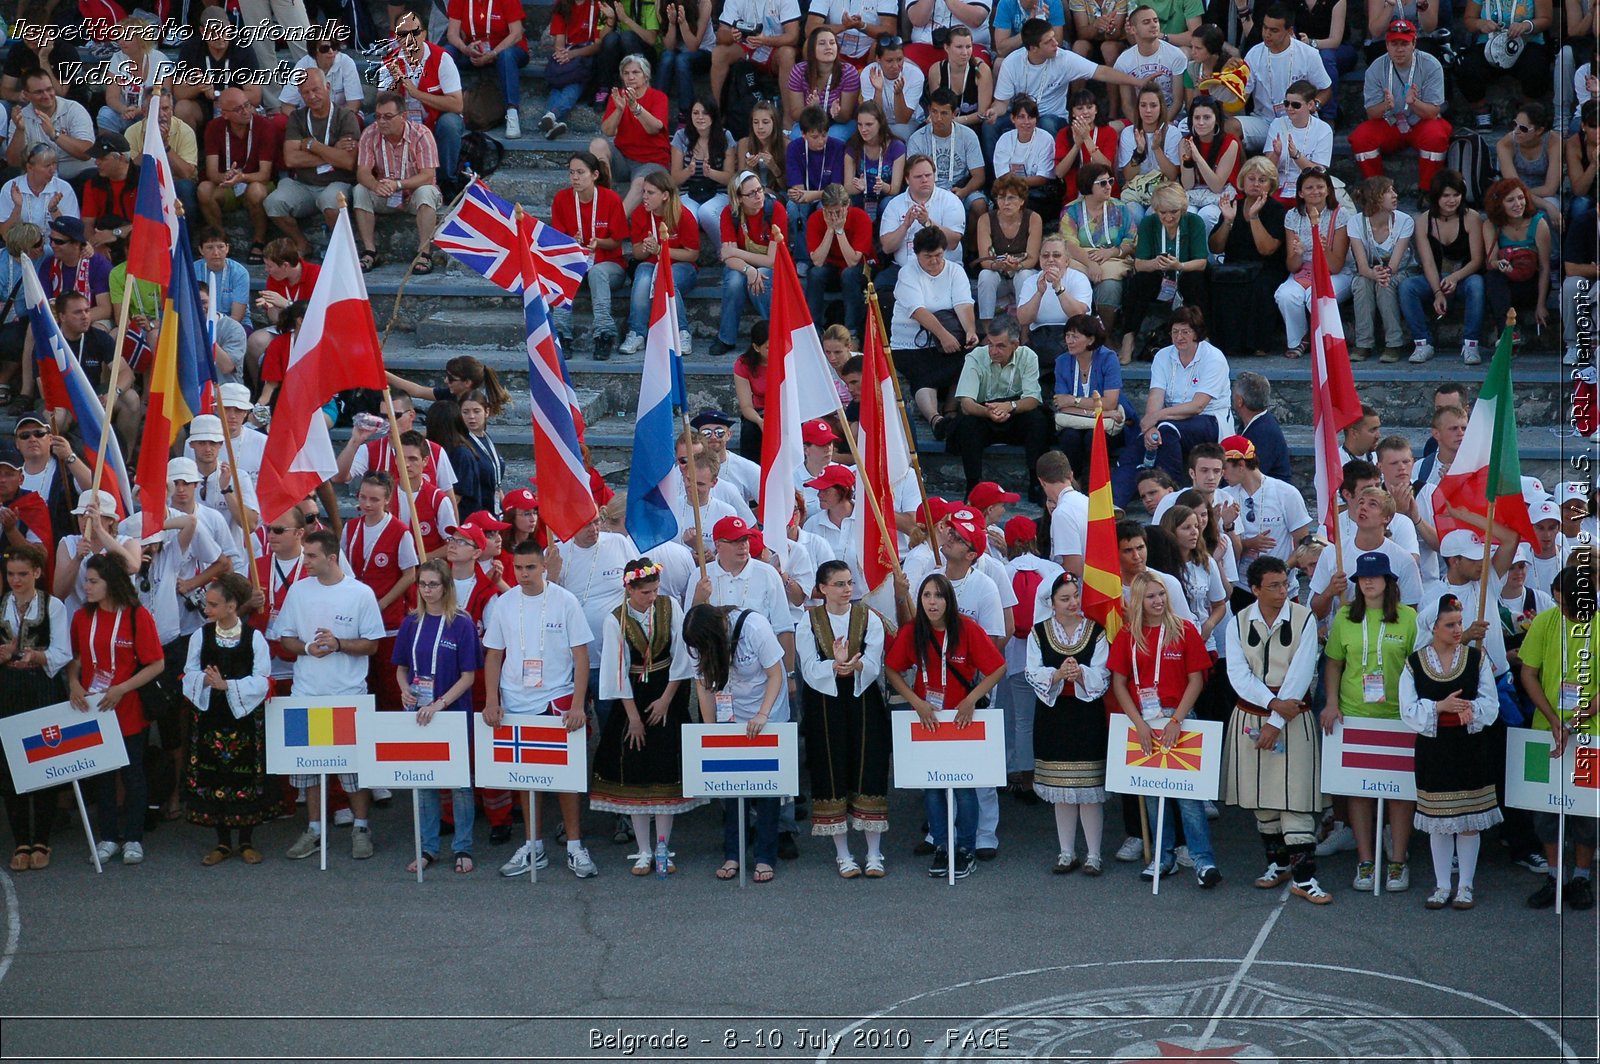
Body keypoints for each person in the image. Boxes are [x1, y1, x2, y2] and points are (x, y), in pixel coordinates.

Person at [483, 540, 597, 879]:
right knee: (525, 778)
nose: (523, 574)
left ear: (544, 567)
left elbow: (581, 656)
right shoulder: (504, 603)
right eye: (518, 567)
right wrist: (492, 700)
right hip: (516, 701)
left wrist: (578, 705)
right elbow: (493, 654)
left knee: (566, 779)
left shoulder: (565, 601)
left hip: (556, 700)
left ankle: (575, 845)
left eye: (530, 567)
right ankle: (533, 845)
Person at [270, 530, 386, 861]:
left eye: (310, 556)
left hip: (348, 697)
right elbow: (286, 639)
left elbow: (373, 644)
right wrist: (308, 648)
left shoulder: (360, 594)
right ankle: (315, 830)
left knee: (354, 770)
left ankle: (361, 827)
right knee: (310, 770)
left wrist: (339, 644)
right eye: (304, 555)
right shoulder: (298, 591)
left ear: (332, 558)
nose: (304, 562)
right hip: (306, 695)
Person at [885, 573, 1008, 881]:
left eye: (938, 596)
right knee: (934, 788)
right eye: (926, 595)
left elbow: (998, 668)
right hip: (928, 721)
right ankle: (942, 844)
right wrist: (915, 701)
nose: (932, 602)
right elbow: (891, 668)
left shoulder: (966, 628)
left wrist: (971, 700)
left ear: (949, 600)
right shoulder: (914, 631)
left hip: (960, 720)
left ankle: (966, 847)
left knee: (966, 789)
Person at [1224, 556, 1330, 903]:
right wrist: (1271, 709)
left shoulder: (1304, 618)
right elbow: (1238, 676)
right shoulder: (1238, 621)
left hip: (1292, 719)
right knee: (1262, 801)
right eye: (1274, 586)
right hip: (1252, 717)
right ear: (1254, 589)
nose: (1283, 591)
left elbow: (1300, 674)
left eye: (1285, 584)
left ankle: (1304, 877)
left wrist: (1275, 721)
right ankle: (1278, 864)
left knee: (1296, 798)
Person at [1108, 570, 1221, 885]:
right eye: (1150, 596)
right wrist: (1139, 724)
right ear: (1138, 601)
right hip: (1143, 720)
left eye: (1161, 595)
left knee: (1189, 798)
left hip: (1180, 719)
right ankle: (1163, 856)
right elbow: (1119, 683)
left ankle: (1203, 861)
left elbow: (1196, 679)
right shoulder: (1129, 636)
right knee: (1154, 796)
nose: (1158, 601)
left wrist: (1176, 720)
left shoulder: (1184, 630)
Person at [594, 559, 704, 874]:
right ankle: (643, 850)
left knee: (666, 769)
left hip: (665, 690)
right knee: (636, 771)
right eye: (645, 592)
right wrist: (634, 718)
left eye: (655, 590)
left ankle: (663, 847)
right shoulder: (615, 619)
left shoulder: (669, 608)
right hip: (633, 697)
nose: (652, 597)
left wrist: (666, 700)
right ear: (629, 589)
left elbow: (682, 658)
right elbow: (616, 671)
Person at [1321, 550, 1419, 892]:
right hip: (1356, 715)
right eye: (1363, 577)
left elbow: (1417, 666)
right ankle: (1365, 861)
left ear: (1389, 581)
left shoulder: (1408, 618)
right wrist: (1332, 702)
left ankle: (1397, 860)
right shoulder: (1346, 615)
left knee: (1399, 794)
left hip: (1397, 717)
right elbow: (1333, 663)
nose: (1368, 581)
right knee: (1358, 792)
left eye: (1375, 576)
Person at [1400, 592, 1503, 910]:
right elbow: (1407, 709)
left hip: (1470, 746)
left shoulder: (1476, 659)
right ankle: (1442, 885)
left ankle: (1466, 886)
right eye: (1450, 624)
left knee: (1469, 820)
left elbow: (1492, 703)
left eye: (1459, 623)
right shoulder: (1415, 663)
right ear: (1433, 627)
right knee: (1438, 818)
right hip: (1434, 748)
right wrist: (1440, 706)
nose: (1458, 629)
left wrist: (1470, 708)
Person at [68, 554, 165, 866]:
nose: (87, 587)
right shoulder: (82, 618)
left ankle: (134, 837)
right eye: (86, 581)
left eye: (93, 581)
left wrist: (123, 688)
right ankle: (108, 836)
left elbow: (157, 663)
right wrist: (73, 683)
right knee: (103, 777)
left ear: (111, 583)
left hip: (128, 708)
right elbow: (77, 659)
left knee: (132, 774)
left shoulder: (136, 616)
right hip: (94, 708)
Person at [684, 601, 791, 883]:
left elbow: (775, 674)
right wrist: (710, 730)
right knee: (731, 786)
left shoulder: (755, 626)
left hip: (767, 710)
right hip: (730, 713)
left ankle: (766, 856)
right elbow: (703, 684)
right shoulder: (698, 640)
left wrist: (763, 714)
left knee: (767, 787)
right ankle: (733, 852)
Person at [180, 571, 281, 867]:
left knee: (244, 774)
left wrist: (229, 686)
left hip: (245, 717)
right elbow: (188, 673)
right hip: (211, 716)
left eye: (213, 605)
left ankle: (246, 840)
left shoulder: (254, 638)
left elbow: (263, 680)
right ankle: (222, 842)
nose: (207, 610)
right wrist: (205, 682)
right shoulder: (201, 635)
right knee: (214, 774)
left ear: (231, 607)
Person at [390, 559, 484, 874]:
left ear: (446, 586)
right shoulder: (410, 623)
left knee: (459, 784)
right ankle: (428, 847)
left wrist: (440, 704)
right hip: (420, 714)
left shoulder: (461, 623)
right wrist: (404, 690)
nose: (427, 590)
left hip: (451, 712)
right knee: (425, 782)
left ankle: (463, 848)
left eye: (433, 584)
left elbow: (469, 676)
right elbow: (402, 668)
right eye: (423, 584)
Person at [799, 559, 890, 876]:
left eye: (850, 583)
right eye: (839, 584)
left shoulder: (869, 618)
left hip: (862, 698)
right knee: (831, 770)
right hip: (825, 704)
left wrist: (855, 665)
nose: (847, 589)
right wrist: (834, 666)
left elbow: (875, 662)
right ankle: (843, 854)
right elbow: (809, 668)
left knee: (869, 770)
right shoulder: (808, 622)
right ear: (822, 588)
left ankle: (874, 853)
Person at [1519, 565, 1599, 910]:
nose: (1558, 606)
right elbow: (1528, 673)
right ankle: (1554, 874)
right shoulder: (1544, 622)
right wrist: (1553, 718)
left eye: (1562, 601)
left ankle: (1581, 876)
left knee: (1585, 814)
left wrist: (1577, 720)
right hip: (1544, 732)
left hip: (1588, 736)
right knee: (1544, 812)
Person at [1025, 571, 1110, 873]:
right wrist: (1058, 675)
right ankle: (1066, 852)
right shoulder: (1038, 632)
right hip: (1054, 717)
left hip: (1086, 717)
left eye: (1075, 596)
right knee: (1061, 789)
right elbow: (1032, 671)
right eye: (1065, 598)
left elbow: (1102, 674)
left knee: (1088, 790)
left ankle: (1094, 855)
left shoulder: (1096, 631)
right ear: (1051, 602)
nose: (1072, 602)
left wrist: (1082, 674)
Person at [0, 544, 70, 871]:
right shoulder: (1, 606)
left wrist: (31, 655)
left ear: (37, 573)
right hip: (8, 688)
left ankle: (42, 838)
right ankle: (21, 841)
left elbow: (62, 652)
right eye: (11, 574)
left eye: (22, 574)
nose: (16, 580)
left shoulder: (53, 606)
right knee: (10, 765)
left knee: (44, 761)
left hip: (42, 686)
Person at [946, 314, 1052, 497]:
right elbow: (967, 404)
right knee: (968, 425)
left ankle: (1037, 484)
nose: (993, 351)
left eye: (1000, 346)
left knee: (1038, 421)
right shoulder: (976, 356)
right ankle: (973, 485)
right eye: (990, 344)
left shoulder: (1028, 357)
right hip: (983, 413)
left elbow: (1033, 399)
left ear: (1015, 345)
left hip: (1015, 411)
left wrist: (1009, 406)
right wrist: (989, 412)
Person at [891, 226, 978, 435]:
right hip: (910, 344)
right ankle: (935, 418)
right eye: (928, 256)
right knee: (924, 375)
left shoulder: (955, 271)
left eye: (938, 255)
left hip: (948, 339)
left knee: (972, 358)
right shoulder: (907, 273)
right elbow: (918, 310)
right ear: (917, 254)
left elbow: (963, 304)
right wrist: (943, 335)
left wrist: (970, 332)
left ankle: (950, 410)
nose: (934, 261)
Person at [265, 69, 360, 257]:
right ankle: (302, 243)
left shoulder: (345, 116)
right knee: (273, 203)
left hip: (336, 182)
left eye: (316, 90)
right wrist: (332, 150)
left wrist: (311, 145)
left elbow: (348, 161)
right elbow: (291, 159)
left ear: (328, 87)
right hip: (304, 184)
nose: (312, 96)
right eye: (305, 92)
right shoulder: (297, 117)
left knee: (331, 201)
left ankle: (340, 250)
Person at [1350, 20, 1452, 193]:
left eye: (1404, 43)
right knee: (1361, 137)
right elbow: (1371, 114)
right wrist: (1385, 105)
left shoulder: (1430, 65)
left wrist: (1414, 103)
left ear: (1414, 43)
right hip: (1390, 123)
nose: (1399, 49)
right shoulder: (1375, 68)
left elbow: (1433, 112)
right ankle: (1378, 191)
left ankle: (1428, 190)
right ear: (1387, 45)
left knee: (1436, 135)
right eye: (1394, 43)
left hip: (1420, 120)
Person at [1398, 170, 1486, 365]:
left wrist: (1455, 278)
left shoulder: (1471, 217)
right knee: (1407, 287)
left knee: (1477, 284)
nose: (1451, 200)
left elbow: (1477, 260)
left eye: (1456, 194)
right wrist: (1437, 291)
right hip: (1434, 278)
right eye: (1446, 195)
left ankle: (1471, 344)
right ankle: (1422, 343)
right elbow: (1427, 262)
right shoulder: (1423, 221)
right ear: (1436, 196)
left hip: (1465, 278)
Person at [1137, 307, 1232, 483]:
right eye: (1175, 332)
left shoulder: (1213, 358)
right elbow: (1156, 395)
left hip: (1210, 419)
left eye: (1185, 332)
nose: (1179, 337)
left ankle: (1172, 490)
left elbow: (1198, 406)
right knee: (1141, 440)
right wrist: (1150, 427)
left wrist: (1156, 417)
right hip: (1171, 417)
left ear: (1197, 333)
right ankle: (1118, 499)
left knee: (1166, 430)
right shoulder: (1162, 356)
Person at [1206, 155, 1288, 358]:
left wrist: (1253, 217)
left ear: (1271, 184)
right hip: (1235, 265)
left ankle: (1258, 343)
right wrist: (1227, 221)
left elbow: (1266, 249)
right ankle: (1224, 342)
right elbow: (1215, 248)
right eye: (1251, 178)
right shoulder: (1233, 204)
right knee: (1214, 280)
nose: (1256, 184)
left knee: (1259, 285)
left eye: (1262, 180)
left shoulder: (1277, 210)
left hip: (1267, 267)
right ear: (1243, 181)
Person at [353, 92, 443, 276]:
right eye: (378, 117)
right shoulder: (370, 134)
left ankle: (424, 253)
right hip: (385, 193)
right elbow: (362, 172)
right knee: (360, 190)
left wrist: (399, 185)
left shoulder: (422, 134)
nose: (381, 122)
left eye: (388, 117)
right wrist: (375, 185)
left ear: (403, 116)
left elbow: (428, 175)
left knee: (427, 191)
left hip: (413, 194)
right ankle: (370, 252)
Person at [551, 152, 630, 359]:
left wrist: (599, 242)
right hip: (577, 263)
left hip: (608, 265)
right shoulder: (561, 198)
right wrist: (571, 242)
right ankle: (560, 333)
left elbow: (617, 241)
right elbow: (558, 242)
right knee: (564, 269)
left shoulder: (610, 199)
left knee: (597, 273)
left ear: (594, 175)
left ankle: (604, 333)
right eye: (571, 173)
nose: (575, 178)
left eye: (580, 172)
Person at [377, 9, 467, 193]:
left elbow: (457, 104)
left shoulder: (442, 58)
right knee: (374, 122)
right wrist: (395, 84)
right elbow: (380, 105)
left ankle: (446, 181)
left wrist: (417, 93)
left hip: (434, 122)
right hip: (403, 123)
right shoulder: (390, 61)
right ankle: (384, 178)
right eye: (403, 33)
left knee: (450, 123)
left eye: (415, 32)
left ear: (424, 34)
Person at [1119, 183, 1209, 363]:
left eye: (1173, 212)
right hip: (1157, 277)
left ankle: (1203, 338)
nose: (1168, 217)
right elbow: (1139, 263)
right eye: (1162, 212)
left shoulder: (1194, 222)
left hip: (1184, 273)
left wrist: (1179, 265)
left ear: (1182, 209)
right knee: (1140, 281)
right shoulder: (1149, 223)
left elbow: (1201, 262)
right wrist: (1155, 263)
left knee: (1196, 280)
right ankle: (1128, 338)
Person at [622, 170, 700, 357]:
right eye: (644, 192)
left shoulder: (683, 214)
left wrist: (661, 250)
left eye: (651, 193)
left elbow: (692, 255)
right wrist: (647, 248)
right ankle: (637, 333)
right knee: (642, 278)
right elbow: (638, 254)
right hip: (650, 263)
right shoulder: (641, 213)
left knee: (667, 278)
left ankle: (682, 332)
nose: (645, 197)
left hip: (682, 266)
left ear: (665, 195)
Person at [197, 87, 280, 264]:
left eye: (247, 105)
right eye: (238, 109)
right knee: (204, 189)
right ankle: (221, 240)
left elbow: (264, 174)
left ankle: (259, 240)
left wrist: (241, 177)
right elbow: (212, 172)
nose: (246, 111)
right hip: (229, 184)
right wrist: (226, 177)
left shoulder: (264, 126)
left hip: (256, 182)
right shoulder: (214, 127)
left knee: (256, 191)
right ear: (224, 114)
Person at [1236, 5, 1333, 151]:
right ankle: (1244, 173)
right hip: (1264, 122)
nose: (1267, 34)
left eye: (1274, 30)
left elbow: (1326, 89)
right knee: (1231, 127)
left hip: (1298, 121)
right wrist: (1227, 82)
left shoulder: (1308, 54)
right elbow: (1242, 97)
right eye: (1265, 28)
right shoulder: (1253, 54)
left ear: (1289, 31)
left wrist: (1314, 107)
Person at [1217, 434, 1313, 578]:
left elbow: (1304, 542)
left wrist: (1282, 570)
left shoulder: (1286, 493)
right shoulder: (1223, 496)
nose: (1221, 473)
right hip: (1241, 587)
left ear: (1241, 465)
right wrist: (1248, 544)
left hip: (1281, 586)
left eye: (1224, 467)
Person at [718, 170, 789, 357]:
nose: (758, 196)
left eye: (760, 190)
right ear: (739, 198)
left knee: (763, 277)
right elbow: (728, 256)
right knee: (733, 281)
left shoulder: (775, 210)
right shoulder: (730, 213)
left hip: (772, 266)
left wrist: (737, 253)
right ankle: (726, 337)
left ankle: (776, 335)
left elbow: (772, 260)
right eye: (751, 193)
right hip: (743, 265)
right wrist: (748, 269)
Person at [1059, 163, 1135, 335]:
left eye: (1110, 181)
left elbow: (1130, 240)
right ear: (1088, 185)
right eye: (1102, 183)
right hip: (1079, 260)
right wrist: (1090, 264)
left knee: (1109, 287)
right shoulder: (1071, 210)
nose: (1109, 186)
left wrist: (1111, 252)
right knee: (1075, 278)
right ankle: (1077, 334)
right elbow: (1069, 244)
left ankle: (1104, 335)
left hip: (1113, 259)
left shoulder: (1121, 208)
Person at [1346, 175, 1416, 363]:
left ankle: (1393, 343)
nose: (1395, 195)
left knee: (1386, 284)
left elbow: (1394, 264)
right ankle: (1363, 343)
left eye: (1393, 190)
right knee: (1361, 283)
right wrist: (1372, 274)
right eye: (1388, 191)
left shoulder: (1404, 220)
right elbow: (1361, 265)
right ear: (1375, 197)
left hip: (1401, 270)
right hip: (1369, 270)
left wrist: (1383, 274)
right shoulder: (1355, 223)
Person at [1457, 0, 1553, 133]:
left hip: (1527, 42)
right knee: (1468, 68)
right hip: (1489, 43)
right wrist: (1481, 24)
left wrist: (1526, 25)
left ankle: (1527, 111)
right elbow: (1469, 20)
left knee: (1535, 68)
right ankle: (1481, 110)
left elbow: (1546, 19)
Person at [1049, 313, 1125, 475]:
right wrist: (1103, 413)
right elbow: (1061, 406)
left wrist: (1074, 400)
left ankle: (1096, 489)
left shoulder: (1108, 359)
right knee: (1069, 436)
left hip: (1105, 428)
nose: (1069, 341)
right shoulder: (1062, 362)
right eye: (1067, 336)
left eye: (1075, 336)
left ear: (1090, 340)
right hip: (1082, 421)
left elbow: (1110, 403)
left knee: (1093, 437)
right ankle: (1074, 483)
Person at [444, 0, 529, 138]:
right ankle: (442, 107)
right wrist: (465, 49)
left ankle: (512, 113)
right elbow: (452, 34)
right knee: (447, 52)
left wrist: (494, 53)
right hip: (474, 50)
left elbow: (516, 33)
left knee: (506, 56)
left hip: (506, 49)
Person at [1481, 177, 1552, 342]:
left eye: (1521, 198)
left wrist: (1541, 305)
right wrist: (1499, 263)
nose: (1518, 204)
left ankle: (1506, 333)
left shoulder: (1539, 224)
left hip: (1530, 283)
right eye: (1510, 200)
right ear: (1499, 204)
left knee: (1498, 290)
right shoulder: (1491, 225)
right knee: (1493, 276)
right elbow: (1490, 261)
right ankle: (1506, 334)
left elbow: (1545, 267)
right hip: (1505, 282)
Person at [171, 7, 262, 135]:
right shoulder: (191, 48)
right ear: (202, 31)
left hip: (235, 106)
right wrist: (199, 87)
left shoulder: (242, 48)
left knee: (251, 110)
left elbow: (255, 95)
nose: (221, 37)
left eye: (225, 31)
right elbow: (179, 92)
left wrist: (219, 95)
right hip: (203, 106)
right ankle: (191, 151)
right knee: (183, 108)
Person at [973, 174, 1042, 335]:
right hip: (999, 275)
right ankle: (987, 331)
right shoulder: (985, 219)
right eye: (1001, 198)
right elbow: (985, 260)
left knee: (1024, 275)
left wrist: (1016, 265)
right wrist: (999, 265)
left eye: (1011, 198)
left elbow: (1032, 258)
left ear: (1022, 200)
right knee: (985, 275)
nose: (1006, 203)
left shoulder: (1033, 218)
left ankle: (1023, 331)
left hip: (1022, 271)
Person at [905, 88, 988, 222]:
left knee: (979, 205)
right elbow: (912, 175)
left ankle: (970, 243)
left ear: (954, 113)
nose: (938, 118)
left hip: (960, 188)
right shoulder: (916, 138)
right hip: (928, 189)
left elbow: (979, 176)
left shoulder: (968, 136)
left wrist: (964, 191)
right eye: (934, 112)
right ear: (929, 110)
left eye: (944, 113)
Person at [1015, 234, 1092, 372]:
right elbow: (1023, 319)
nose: (1050, 260)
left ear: (1067, 261)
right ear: (1040, 260)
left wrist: (1058, 288)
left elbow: (1080, 315)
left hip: (1072, 336)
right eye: (1045, 256)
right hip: (1040, 338)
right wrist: (1039, 293)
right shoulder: (1031, 282)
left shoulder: (1079, 279)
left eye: (1056, 255)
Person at [804, 182, 873, 335]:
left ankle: (852, 331)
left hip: (856, 270)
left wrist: (840, 231)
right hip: (831, 267)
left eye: (838, 211)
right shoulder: (815, 219)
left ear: (847, 204)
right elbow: (817, 261)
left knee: (849, 274)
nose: (834, 217)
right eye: (829, 212)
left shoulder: (860, 217)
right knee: (815, 273)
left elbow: (852, 261)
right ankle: (812, 330)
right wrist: (830, 229)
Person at [6, 69, 94, 183]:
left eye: (49, 89)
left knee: (93, 176)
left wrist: (54, 134)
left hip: (76, 173)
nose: (46, 95)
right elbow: (14, 162)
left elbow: (87, 153)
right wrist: (19, 130)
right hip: (40, 176)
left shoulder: (74, 109)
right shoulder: (20, 117)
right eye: (39, 92)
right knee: (9, 175)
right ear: (26, 95)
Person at [672, 96, 737, 248]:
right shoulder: (681, 136)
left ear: (713, 115)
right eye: (695, 113)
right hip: (689, 193)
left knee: (706, 213)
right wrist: (688, 171)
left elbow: (730, 177)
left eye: (705, 113)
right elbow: (674, 178)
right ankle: (688, 257)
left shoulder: (725, 136)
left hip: (719, 192)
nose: (700, 117)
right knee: (689, 217)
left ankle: (726, 252)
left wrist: (711, 173)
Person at [711, 0, 803, 103]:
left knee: (787, 54)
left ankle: (788, 117)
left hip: (775, 48)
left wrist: (766, 41)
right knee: (719, 53)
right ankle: (714, 111)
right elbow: (720, 35)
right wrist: (731, 35)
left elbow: (793, 37)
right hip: (746, 46)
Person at [1263, 79, 1333, 204]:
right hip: (1279, 187)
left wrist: (1296, 155)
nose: (1289, 108)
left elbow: (1319, 173)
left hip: (1309, 189)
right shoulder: (1277, 124)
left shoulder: (1323, 129)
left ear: (1310, 105)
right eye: (1286, 103)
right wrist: (1276, 154)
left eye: (1295, 105)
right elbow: (1267, 170)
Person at [785, 26, 861, 139]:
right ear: (812, 49)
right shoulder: (799, 71)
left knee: (832, 138)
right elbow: (795, 114)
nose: (828, 47)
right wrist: (811, 109)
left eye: (832, 43)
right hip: (810, 121)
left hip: (839, 124)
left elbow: (846, 116)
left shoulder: (848, 72)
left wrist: (837, 114)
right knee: (797, 137)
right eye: (822, 43)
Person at [1179, 95, 1243, 224]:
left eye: (1207, 117)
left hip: (1222, 195)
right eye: (1197, 118)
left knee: (1206, 215)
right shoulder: (1185, 142)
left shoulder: (1230, 142)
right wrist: (1188, 160)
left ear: (1217, 120)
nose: (1201, 122)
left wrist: (1197, 157)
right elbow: (1187, 185)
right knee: (1188, 214)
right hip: (1194, 193)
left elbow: (1216, 186)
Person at [843, 100, 904, 224]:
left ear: (880, 123)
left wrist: (881, 186)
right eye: (860, 124)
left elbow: (895, 189)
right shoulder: (853, 146)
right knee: (846, 201)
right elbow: (848, 187)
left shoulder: (896, 146)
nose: (863, 129)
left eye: (869, 124)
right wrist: (862, 187)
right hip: (862, 195)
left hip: (885, 195)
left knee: (887, 205)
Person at [1054, 91, 1121, 206]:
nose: (1085, 112)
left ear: (1096, 110)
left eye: (1089, 107)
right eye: (1080, 108)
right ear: (1073, 113)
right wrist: (1076, 145)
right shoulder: (1064, 134)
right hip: (1074, 195)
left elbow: (1106, 166)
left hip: (1105, 192)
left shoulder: (1108, 132)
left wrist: (1086, 138)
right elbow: (1059, 172)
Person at [655, 0, 715, 120]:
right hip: (678, 50)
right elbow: (669, 46)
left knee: (682, 60)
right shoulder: (660, 2)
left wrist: (682, 23)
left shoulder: (704, 3)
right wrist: (672, 23)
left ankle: (685, 114)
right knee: (667, 57)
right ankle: (655, 107)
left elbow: (693, 46)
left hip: (703, 51)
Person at [1117, 83, 1183, 188]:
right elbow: (1128, 176)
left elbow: (1172, 175)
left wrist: (1156, 148)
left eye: (1153, 105)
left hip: (1165, 190)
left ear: (1161, 107)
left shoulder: (1173, 133)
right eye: (1143, 105)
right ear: (1138, 108)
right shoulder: (1128, 133)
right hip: (1137, 190)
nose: (1148, 110)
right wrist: (1139, 152)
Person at [860, 36, 926, 140]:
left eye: (899, 60)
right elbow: (873, 115)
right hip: (879, 121)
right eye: (889, 61)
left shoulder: (915, 74)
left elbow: (903, 120)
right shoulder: (869, 72)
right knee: (869, 133)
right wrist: (878, 90)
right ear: (878, 59)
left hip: (910, 122)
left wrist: (898, 94)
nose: (895, 66)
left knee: (899, 132)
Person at [1231, 372, 1291, 482]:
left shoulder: (1264, 433)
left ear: (1240, 401)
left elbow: (1251, 475)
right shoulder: (1254, 424)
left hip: (1271, 495)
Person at [733, 323, 771, 460]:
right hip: (759, 412)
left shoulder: (788, 359)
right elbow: (746, 406)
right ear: (756, 347)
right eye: (768, 348)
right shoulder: (743, 364)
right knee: (750, 431)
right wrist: (760, 421)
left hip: (786, 411)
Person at [734, 101, 789, 197]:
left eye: (765, 122)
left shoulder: (786, 145)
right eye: (756, 122)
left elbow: (787, 187)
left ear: (774, 123)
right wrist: (749, 168)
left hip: (777, 194)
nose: (760, 127)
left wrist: (774, 167)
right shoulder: (744, 143)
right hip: (750, 193)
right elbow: (740, 183)